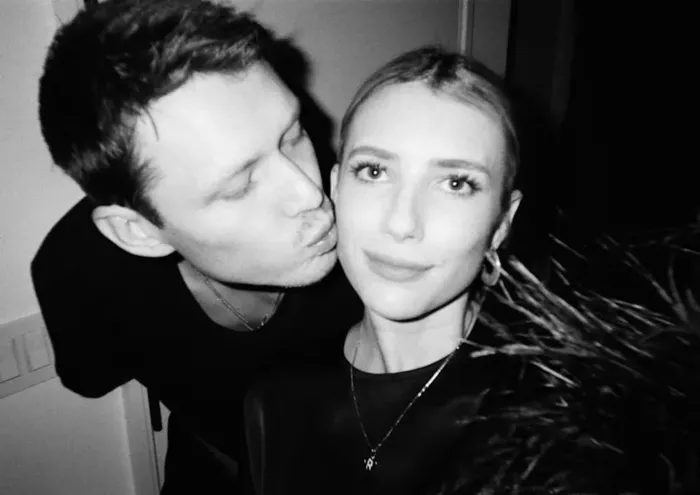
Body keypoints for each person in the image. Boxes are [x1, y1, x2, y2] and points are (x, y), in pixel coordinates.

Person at [31, 0, 359, 493]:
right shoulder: (79, 273)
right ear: (140, 233)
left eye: (292, 136)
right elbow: (90, 376)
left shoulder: (373, 211)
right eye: (240, 186)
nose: (310, 194)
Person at [244, 46, 523, 494]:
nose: (401, 222)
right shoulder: (277, 399)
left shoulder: (553, 417)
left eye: (455, 183)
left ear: (502, 224)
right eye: (374, 171)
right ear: (336, 188)